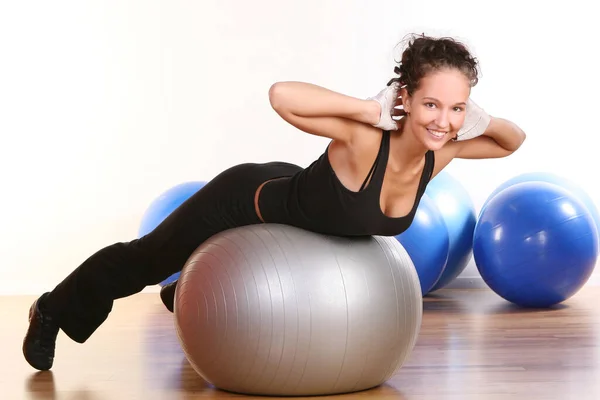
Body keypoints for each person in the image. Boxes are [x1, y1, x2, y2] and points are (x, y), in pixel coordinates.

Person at [23, 34, 526, 371]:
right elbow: (282, 95)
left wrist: (469, 115)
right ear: (406, 100)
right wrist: (371, 109)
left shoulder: (436, 157)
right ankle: (52, 310)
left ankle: (187, 295)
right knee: (147, 258)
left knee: (192, 268)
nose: (443, 120)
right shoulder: (367, 141)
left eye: (456, 107)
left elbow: (512, 139)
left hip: (305, 205)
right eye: (431, 104)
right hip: (247, 200)